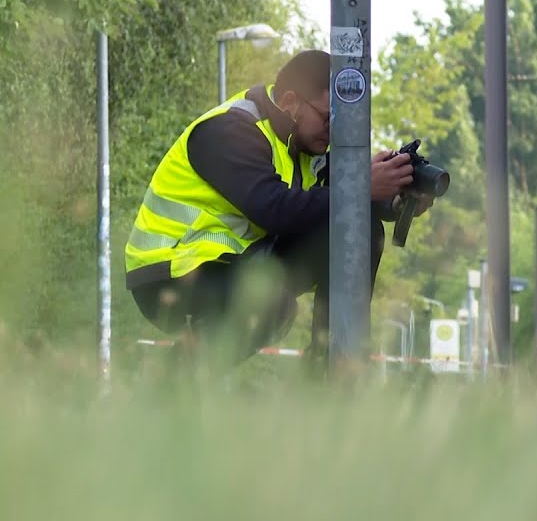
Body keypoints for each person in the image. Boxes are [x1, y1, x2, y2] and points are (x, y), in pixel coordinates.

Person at [124, 50, 431, 375]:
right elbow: (273, 210)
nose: (332, 131)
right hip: (171, 273)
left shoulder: (304, 146)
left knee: (359, 228)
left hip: (235, 263)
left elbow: (332, 204)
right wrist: (359, 187)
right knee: (270, 301)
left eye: (341, 123)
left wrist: (398, 198)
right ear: (290, 101)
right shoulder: (229, 130)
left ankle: (330, 367)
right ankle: (170, 381)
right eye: (328, 118)